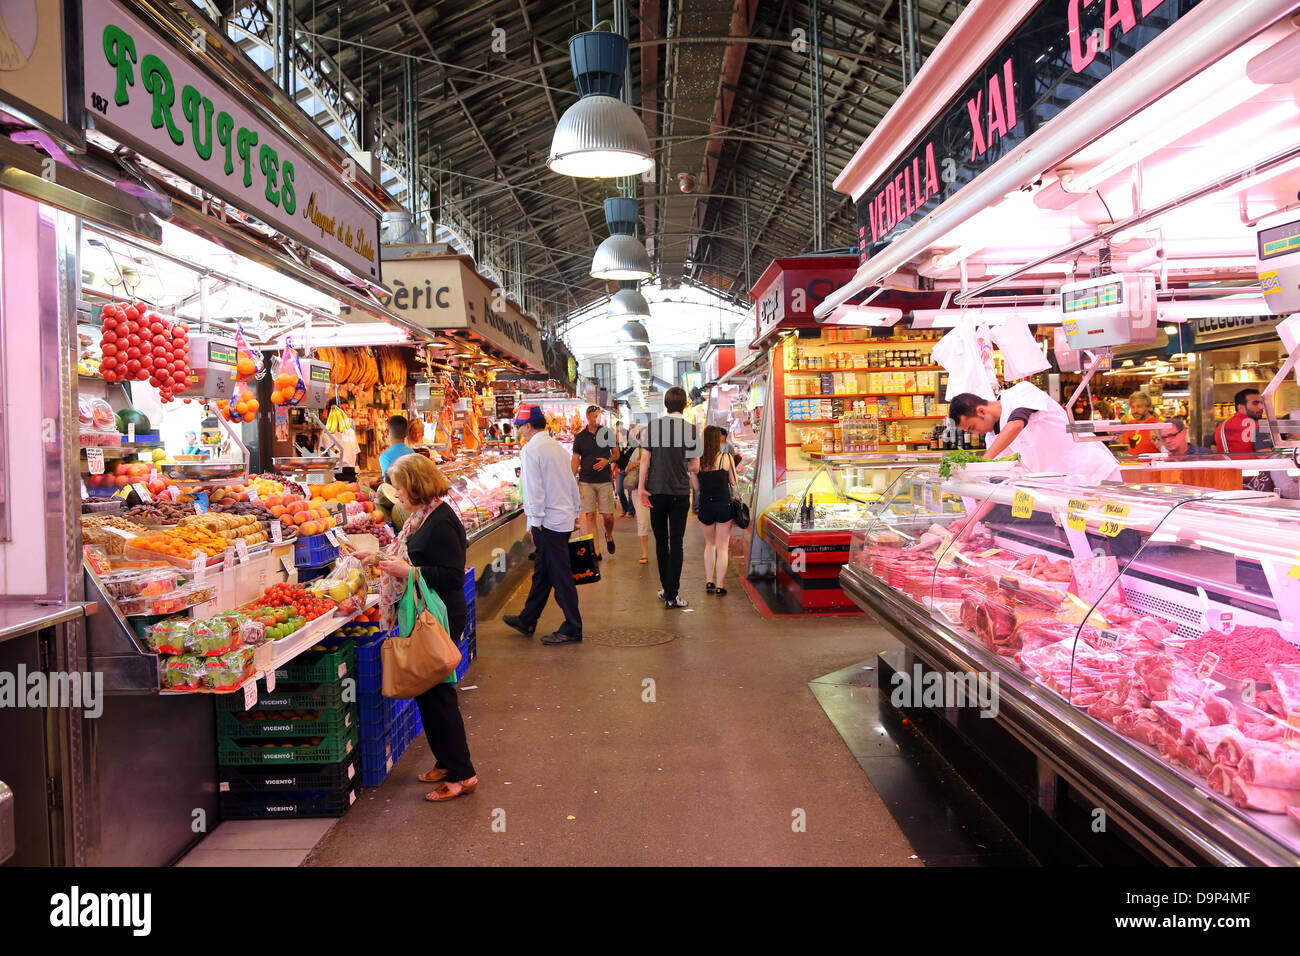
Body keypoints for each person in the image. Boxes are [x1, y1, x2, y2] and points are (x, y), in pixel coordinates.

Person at [375, 454, 477, 802]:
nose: (396, 493)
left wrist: (409, 573)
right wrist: (377, 560)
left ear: (416, 485)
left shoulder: (441, 521)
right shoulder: (422, 517)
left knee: (440, 698)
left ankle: (463, 774)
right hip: (425, 614)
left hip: (440, 616)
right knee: (428, 693)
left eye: (400, 486)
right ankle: (447, 762)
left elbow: (451, 574)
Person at [503, 403, 584, 645]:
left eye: (520, 427)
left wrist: (535, 519)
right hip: (561, 518)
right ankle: (528, 619)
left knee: (560, 576)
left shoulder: (531, 450)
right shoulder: (557, 447)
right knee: (543, 572)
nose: (519, 431)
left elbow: (533, 488)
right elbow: (571, 481)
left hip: (548, 522)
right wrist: (575, 511)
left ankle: (573, 627)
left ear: (528, 426)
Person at [638, 386, 702, 609]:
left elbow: (644, 460)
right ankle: (672, 595)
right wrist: (682, 462)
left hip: (655, 491)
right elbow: (695, 466)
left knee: (661, 542)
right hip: (679, 494)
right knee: (677, 543)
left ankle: (666, 589)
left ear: (666, 404)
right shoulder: (692, 430)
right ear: (685, 405)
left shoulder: (653, 427)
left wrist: (641, 488)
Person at [694, 425, 737, 596]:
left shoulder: (698, 460)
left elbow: (696, 487)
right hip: (723, 505)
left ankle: (709, 581)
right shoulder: (726, 458)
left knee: (709, 545)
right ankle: (720, 585)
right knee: (722, 547)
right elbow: (734, 482)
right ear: (717, 440)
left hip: (705, 505)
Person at [571, 405, 618, 559]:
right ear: (588, 417)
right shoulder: (580, 437)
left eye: (599, 416)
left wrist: (607, 461)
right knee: (590, 515)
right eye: (594, 416)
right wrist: (572, 480)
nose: (597, 419)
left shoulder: (607, 433)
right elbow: (575, 460)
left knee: (608, 516)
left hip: (604, 480)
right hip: (586, 481)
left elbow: (617, 454)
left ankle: (609, 535)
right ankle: (596, 551)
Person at [622, 425, 651, 563]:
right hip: (638, 491)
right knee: (642, 521)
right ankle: (644, 553)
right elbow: (627, 469)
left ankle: (662, 549)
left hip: (655, 490)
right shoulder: (637, 451)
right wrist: (640, 462)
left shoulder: (657, 451)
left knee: (656, 522)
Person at [1215, 388, 1267, 454]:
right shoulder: (1257, 427)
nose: (1261, 407)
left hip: (1226, 463)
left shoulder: (1221, 426)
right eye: (1255, 403)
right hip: (1252, 464)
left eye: (1261, 403)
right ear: (1240, 407)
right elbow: (1265, 457)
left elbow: (1214, 449)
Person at [1121, 391, 1162, 456]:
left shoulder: (1158, 425)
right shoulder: (1129, 425)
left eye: (1139, 407)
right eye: (1133, 407)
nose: (1135, 411)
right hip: (1130, 464)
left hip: (1152, 465)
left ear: (1148, 407)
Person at [378, 414, 416, 480]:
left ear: (387, 431)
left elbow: (387, 484)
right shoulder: (412, 453)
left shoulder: (385, 456)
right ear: (406, 433)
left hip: (394, 490)